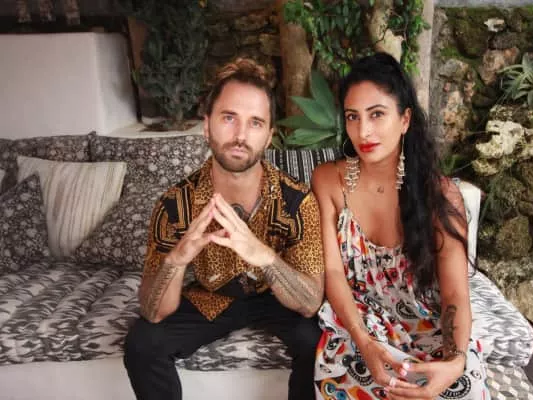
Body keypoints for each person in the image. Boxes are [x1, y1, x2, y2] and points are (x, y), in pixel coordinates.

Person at [123, 58, 325, 400]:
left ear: (269, 137)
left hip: (277, 297)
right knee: (143, 343)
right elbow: (153, 312)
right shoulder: (175, 205)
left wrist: (265, 257)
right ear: (207, 126)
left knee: (316, 341)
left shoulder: (297, 201)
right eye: (229, 118)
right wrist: (176, 260)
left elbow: (309, 303)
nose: (241, 136)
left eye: (255, 123)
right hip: (211, 296)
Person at [312, 52, 489, 400]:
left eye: (377, 114)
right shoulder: (329, 181)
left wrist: (455, 361)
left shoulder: (440, 196)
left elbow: (455, 294)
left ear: (405, 119)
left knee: (462, 389)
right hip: (359, 324)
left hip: (430, 323)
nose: (363, 131)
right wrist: (364, 342)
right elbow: (332, 273)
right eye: (352, 116)